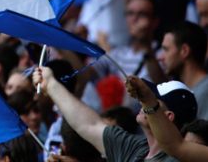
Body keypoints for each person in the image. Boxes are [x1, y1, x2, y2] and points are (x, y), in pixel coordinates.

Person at [34, 66, 197, 161]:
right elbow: (89, 125)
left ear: (168, 116)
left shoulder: (178, 160)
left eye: (151, 98)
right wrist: (50, 84)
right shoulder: (136, 147)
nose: (143, 99)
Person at [125, 75, 208, 162]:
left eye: (155, 100)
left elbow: (175, 146)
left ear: (169, 116)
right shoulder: (138, 148)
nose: (142, 104)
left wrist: (148, 100)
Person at [94, 0, 165, 84]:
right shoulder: (117, 53)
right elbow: (86, 73)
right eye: (130, 13)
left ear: (155, 21)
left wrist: (146, 45)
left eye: (142, 14)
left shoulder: (163, 53)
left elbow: (162, 84)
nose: (134, 19)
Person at [159, 21, 208, 120]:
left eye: (166, 49)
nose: (160, 57)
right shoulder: (186, 92)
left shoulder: (205, 91)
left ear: (184, 51)